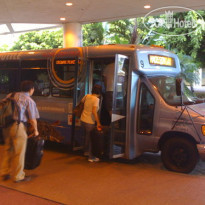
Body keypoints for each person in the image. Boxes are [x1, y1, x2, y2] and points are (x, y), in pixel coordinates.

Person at [1, 80, 40, 183]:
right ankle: (18, 176)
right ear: (31, 89)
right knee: (19, 152)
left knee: (8, 149)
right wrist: (36, 131)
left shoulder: (11, 95)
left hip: (6, 126)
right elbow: (32, 119)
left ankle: (5, 172)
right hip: (18, 127)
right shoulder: (29, 100)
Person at [80, 84, 102, 162]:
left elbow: (82, 103)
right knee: (91, 139)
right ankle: (91, 157)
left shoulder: (87, 96)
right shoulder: (96, 99)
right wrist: (98, 122)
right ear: (99, 92)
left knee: (86, 136)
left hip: (83, 119)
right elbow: (94, 111)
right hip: (90, 121)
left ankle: (86, 152)